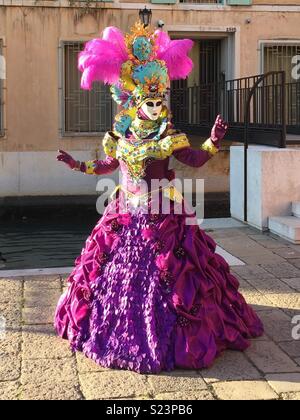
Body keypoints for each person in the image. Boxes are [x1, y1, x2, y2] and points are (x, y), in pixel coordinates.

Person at [54, 23, 263, 374]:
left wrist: (212, 142)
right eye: (148, 101)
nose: (154, 106)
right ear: (136, 102)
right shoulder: (120, 136)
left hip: (162, 212)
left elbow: (194, 160)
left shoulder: (171, 136)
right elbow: (105, 165)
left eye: (158, 100)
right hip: (124, 210)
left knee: (178, 275)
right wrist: (76, 164)